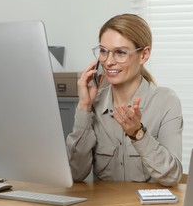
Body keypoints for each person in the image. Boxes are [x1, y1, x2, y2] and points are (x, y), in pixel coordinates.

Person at [66, 14, 183, 187]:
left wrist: (137, 134)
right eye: (104, 51)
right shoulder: (94, 103)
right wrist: (84, 107)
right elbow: (75, 175)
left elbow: (171, 177)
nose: (109, 62)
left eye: (120, 53)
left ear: (144, 55)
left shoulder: (166, 102)